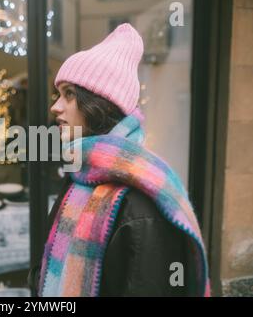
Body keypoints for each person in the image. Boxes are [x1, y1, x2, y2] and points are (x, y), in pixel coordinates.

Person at [28, 23, 210, 297]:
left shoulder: (139, 203)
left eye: (69, 94)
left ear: (98, 104)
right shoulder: (81, 175)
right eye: (58, 94)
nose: (55, 106)